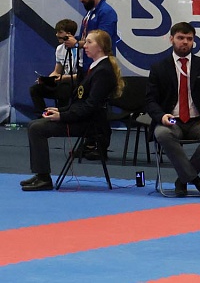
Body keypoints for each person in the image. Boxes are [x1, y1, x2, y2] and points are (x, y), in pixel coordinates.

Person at [21, 30, 124, 191]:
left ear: (100, 46)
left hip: (90, 123)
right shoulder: (95, 68)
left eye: (89, 42)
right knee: (34, 124)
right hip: (82, 117)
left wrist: (62, 116)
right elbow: (80, 102)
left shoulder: (103, 71)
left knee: (37, 128)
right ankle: (41, 173)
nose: (85, 46)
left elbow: (90, 106)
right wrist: (59, 109)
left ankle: (44, 177)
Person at [146, 22, 200, 198]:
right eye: (180, 38)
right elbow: (150, 101)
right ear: (171, 39)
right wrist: (161, 116)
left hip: (198, 120)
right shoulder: (159, 67)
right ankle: (195, 180)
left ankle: (182, 180)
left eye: (189, 39)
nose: (185, 42)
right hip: (171, 120)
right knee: (162, 134)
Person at [63, 0, 119, 69]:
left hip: (100, 66)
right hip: (86, 64)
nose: (80, 0)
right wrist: (70, 39)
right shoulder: (90, 12)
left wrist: (76, 44)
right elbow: (84, 37)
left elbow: (102, 41)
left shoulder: (107, 12)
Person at [29, 19, 81, 114]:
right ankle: (43, 115)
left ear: (69, 34)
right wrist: (47, 80)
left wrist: (64, 78)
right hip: (64, 81)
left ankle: (62, 115)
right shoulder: (59, 49)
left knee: (64, 88)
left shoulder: (81, 49)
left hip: (77, 83)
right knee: (35, 89)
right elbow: (57, 71)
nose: (56, 35)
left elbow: (83, 75)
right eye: (56, 32)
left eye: (60, 32)